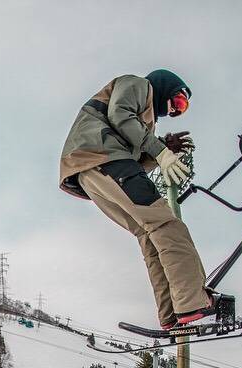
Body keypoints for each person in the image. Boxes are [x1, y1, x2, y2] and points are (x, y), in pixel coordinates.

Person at [60, 69, 213, 329]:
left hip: (91, 170)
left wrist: (160, 148)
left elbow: (137, 164)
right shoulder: (138, 84)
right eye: (178, 103)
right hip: (103, 157)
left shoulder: (142, 124)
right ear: (165, 86)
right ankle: (191, 302)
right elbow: (119, 115)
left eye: (181, 111)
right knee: (167, 225)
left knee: (148, 234)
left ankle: (171, 314)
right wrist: (161, 151)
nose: (175, 112)